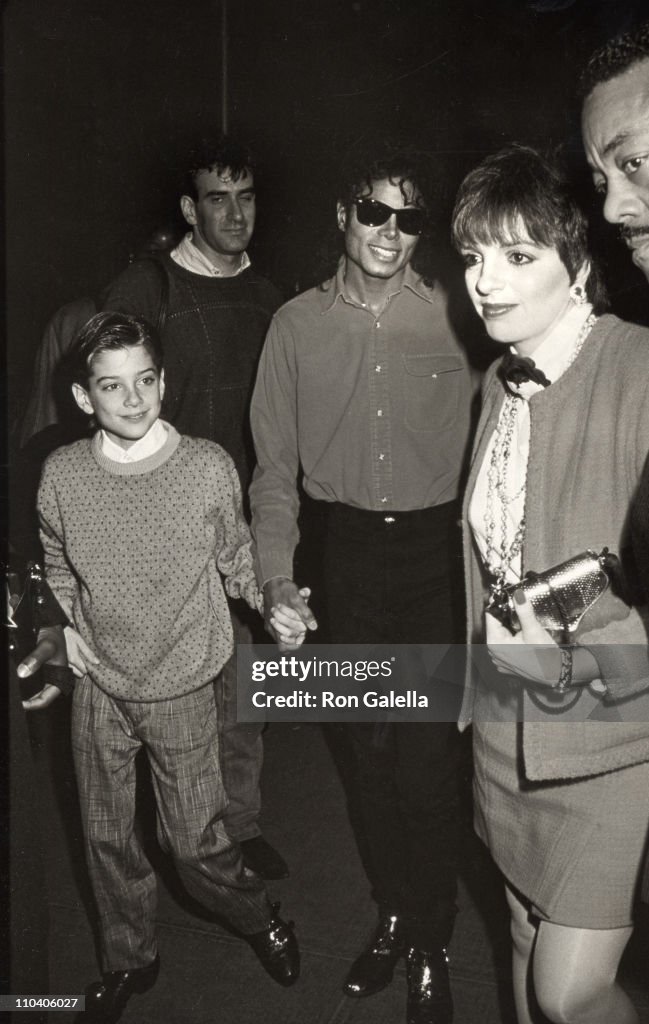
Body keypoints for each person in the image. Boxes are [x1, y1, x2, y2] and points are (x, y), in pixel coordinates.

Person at [249, 143, 476, 1024]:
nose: (390, 232)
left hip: (436, 560)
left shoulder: (459, 314)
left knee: (426, 768)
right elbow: (273, 471)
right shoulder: (296, 328)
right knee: (368, 765)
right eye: (373, 213)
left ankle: (429, 939)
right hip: (342, 563)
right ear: (342, 217)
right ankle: (394, 912)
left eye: (408, 217)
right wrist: (276, 578)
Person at [37, 311, 303, 1024]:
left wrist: (270, 599)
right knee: (105, 836)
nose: (132, 399)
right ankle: (130, 955)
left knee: (194, 844)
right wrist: (61, 626)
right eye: (111, 386)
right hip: (98, 685)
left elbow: (238, 559)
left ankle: (256, 916)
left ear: (163, 381)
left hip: (182, 681)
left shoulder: (206, 468)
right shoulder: (61, 476)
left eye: (145, 380)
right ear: (84, 399)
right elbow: (57, 567)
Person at [452, 144, 649, 1024]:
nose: (486, 282)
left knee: (570, 996)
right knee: (524, 940)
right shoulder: (496, 381)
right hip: (503, 733)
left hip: (610, 742)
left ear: (577, 266)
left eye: (518, 256)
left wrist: (579, 667)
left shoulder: (638, 370)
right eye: (472, 257)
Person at [101, 137, 287, 880]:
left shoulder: (272, 299)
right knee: (165, 703)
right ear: (189, 208)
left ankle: (236, 827)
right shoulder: (148, 289)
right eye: (217, 198)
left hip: (243, 528)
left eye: (244, 197)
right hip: (162, 530)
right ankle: (177, 836)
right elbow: (106, 405)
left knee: (244, 692)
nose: (234, 213)